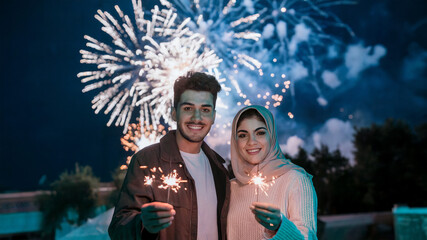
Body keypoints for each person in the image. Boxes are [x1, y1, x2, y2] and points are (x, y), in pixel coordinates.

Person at [109, 72, 230, 240]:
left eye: (205, 109)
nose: (197, 117)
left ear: (213, 116)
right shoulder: (146, 161)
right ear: (174, 113)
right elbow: (118, 229)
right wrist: (144, 224)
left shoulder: (219, 169)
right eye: (188, 108)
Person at [227, 105, 317, 240]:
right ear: (235, 141)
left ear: (272, 136)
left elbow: (308, 238)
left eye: (260, 133)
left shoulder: (295, 179)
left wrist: (280, 226)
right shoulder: (230, 188)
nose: (251, 142)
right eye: (243, 135)